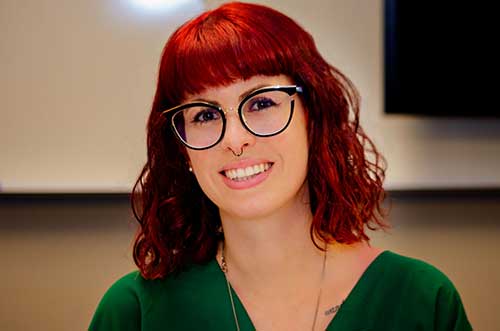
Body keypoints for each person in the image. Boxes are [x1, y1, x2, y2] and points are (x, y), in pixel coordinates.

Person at [89, 2, 472, 330]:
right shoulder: (134, 312)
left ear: (313, 117)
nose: (234, 140)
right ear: (182, 150)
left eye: (261, 104)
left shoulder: (422, 300)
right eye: (205, 114)